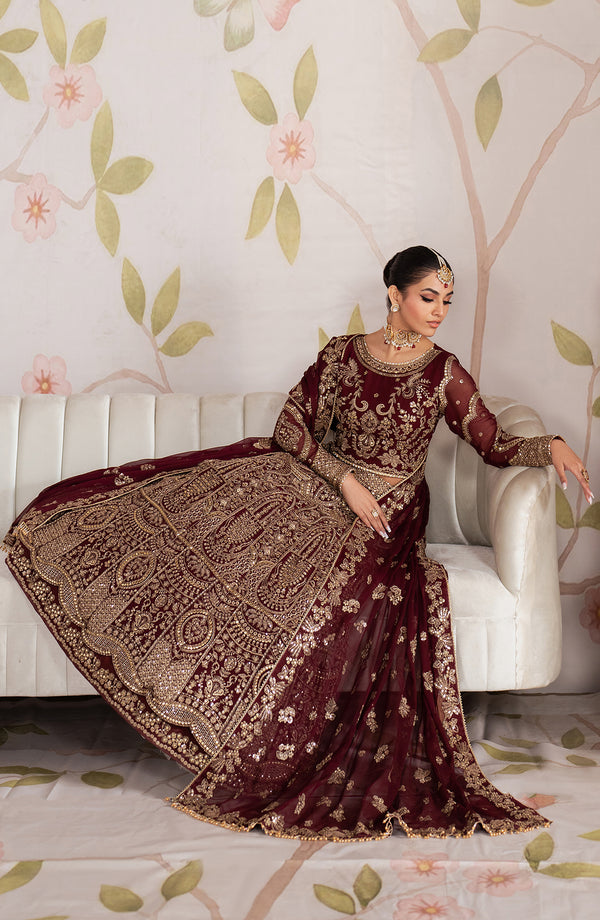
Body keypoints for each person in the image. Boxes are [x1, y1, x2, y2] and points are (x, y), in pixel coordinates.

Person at [3, 246, 592, 842]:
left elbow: (492, 442)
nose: (439, 310)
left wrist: (549, 447)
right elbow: (290, 427)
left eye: (447, 300)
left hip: (389, 513)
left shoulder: (445, 373)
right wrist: (345, 480)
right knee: (229, 534)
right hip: (322, 484)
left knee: (328, 577)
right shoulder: (342, 355)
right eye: (427, 297)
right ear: (394, 295)